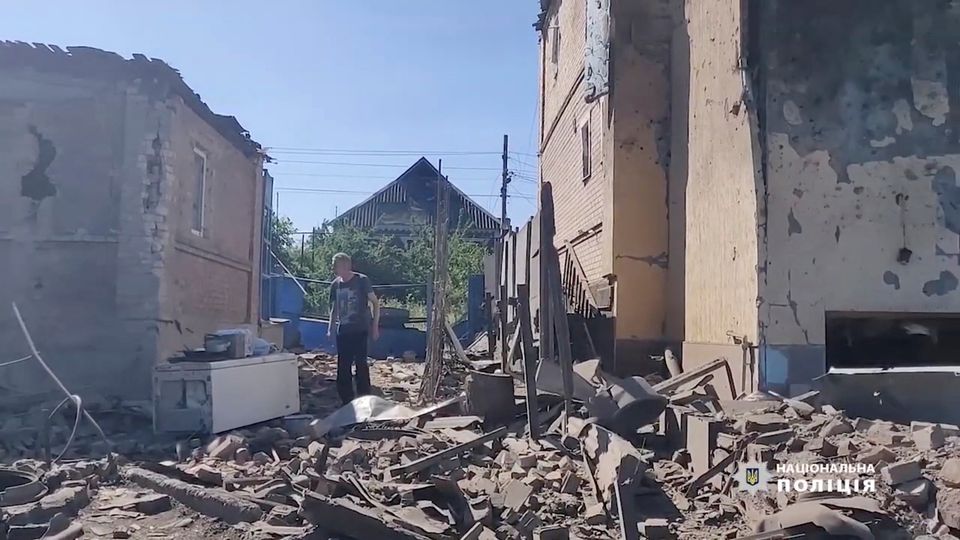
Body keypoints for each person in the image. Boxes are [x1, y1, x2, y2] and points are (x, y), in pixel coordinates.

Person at [327, 252, 380, 404]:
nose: (340, 269)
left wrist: (375, 326)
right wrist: (330, 328)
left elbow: (375, 303)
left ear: (348, 265)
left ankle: (364, 398)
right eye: (337, 267)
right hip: (343, 331)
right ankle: (346, 401)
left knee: (361, 365)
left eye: (343, 266)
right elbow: (334, 309)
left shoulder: (362, 280)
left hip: (360, 329)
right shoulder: (335, 285)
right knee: (343, 367)